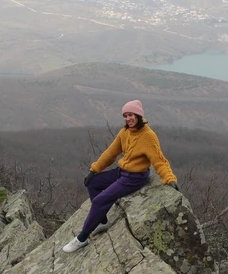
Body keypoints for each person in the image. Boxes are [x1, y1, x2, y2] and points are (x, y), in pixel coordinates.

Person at [63, 99, 179, 253]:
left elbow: (159, 160)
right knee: (93, 183)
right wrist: (94, 170)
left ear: (138, 115)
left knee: (100, 201)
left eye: (131, 115)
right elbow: (111, 153)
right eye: (125, 115)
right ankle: (102, 221)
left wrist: (169, 179)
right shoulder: (125, 132)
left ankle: (82, 238)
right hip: (122, 172)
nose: (128, 118)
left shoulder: (148, 136)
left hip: (135, 178)